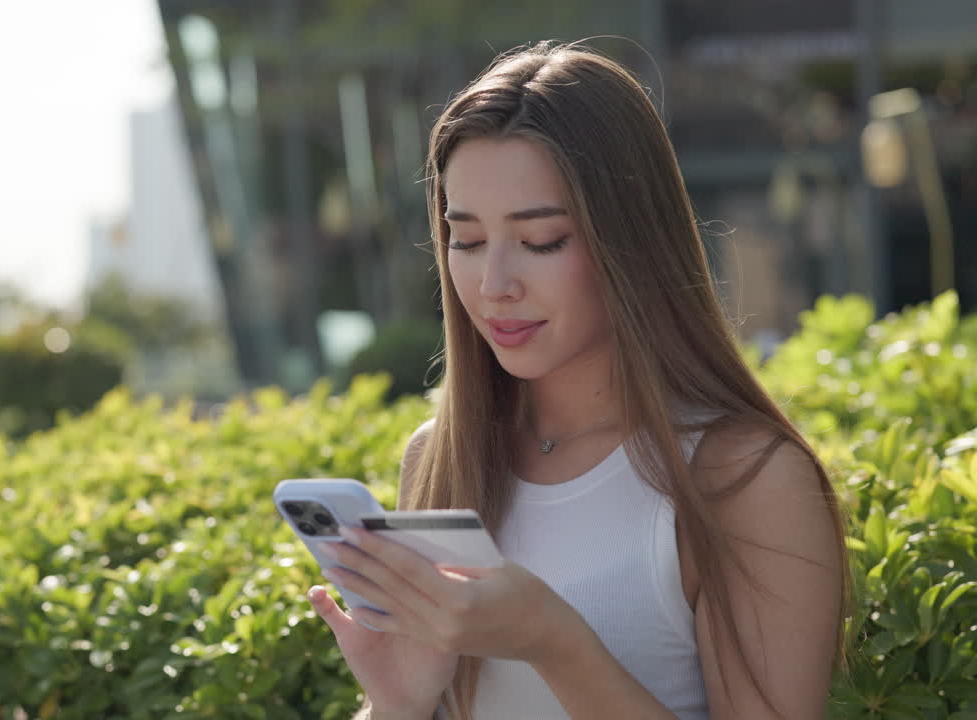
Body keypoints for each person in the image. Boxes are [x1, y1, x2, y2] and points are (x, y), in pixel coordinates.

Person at [304, 39, 852, 720]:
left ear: (631, 240)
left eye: (541, 242)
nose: (494, 284)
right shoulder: (440, 458)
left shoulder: (741, 477)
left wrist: (553, 642)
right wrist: (394, 705)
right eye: (466, 240)